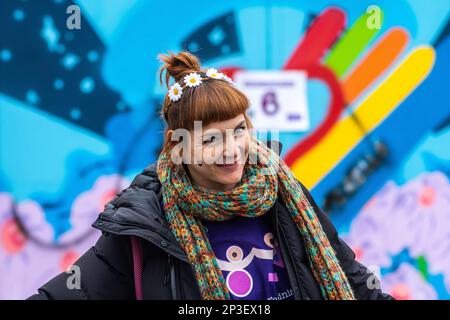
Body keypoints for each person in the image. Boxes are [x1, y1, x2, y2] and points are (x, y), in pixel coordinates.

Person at [28, 51, 393, 300]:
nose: (232, 149)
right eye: (211, 139)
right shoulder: (148, 222)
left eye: (238, 130)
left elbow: (352, 279)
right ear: (179, 147)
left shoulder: (285, 194)